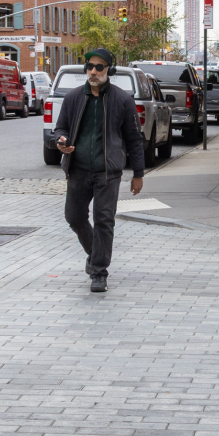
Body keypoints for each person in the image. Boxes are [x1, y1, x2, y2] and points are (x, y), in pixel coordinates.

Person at [52, 49, 146, 293]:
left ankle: (99, 272)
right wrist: (61, 140)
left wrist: (138, 174)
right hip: (78, 169)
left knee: (104, 221)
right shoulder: (73, 97)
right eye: (90, 66)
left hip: (108, 172)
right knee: (74, 217)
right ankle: (96, 254)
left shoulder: (122, 100)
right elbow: (60, 128)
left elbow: (134, 139)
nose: (93, 71)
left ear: (109, 71)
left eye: (99, 67)